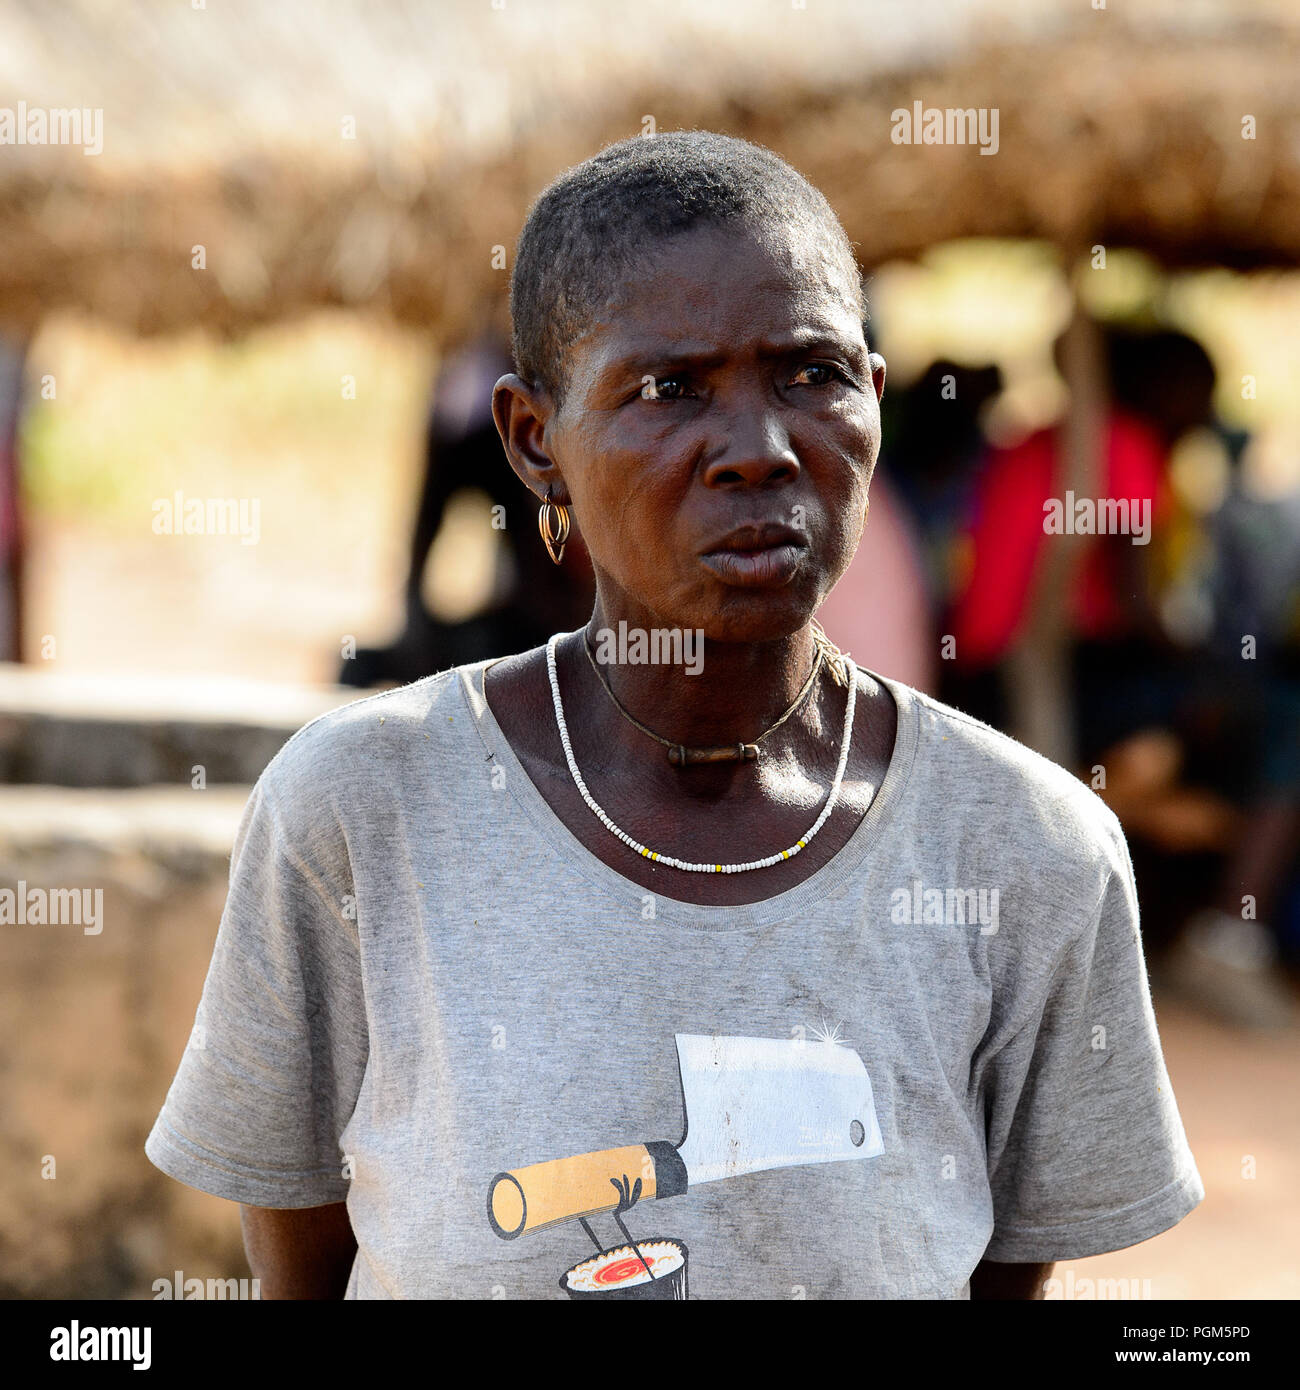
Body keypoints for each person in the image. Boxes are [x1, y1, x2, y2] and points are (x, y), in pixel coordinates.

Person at [146, 132, 1203, 1300]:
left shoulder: (1027, 849)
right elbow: (302, 1254)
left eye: (811, 375)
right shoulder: (360, 811)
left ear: (875, 400)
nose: (758, 449)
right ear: (533, 440)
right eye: (668, 389)